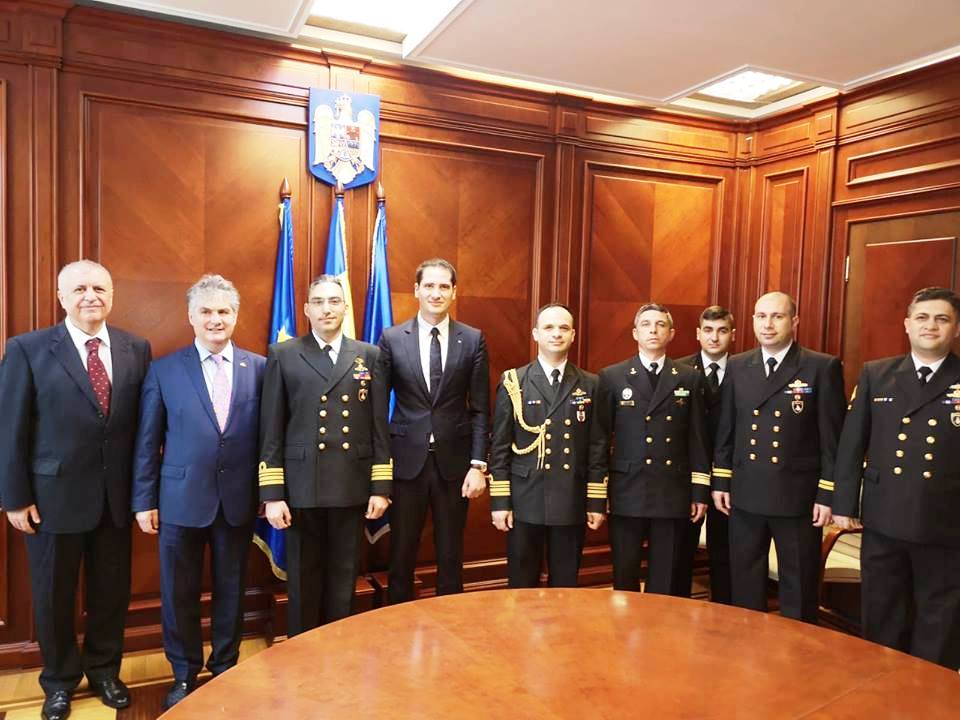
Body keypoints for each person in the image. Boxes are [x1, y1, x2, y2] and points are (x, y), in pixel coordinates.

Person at [0, 260, 151, 720]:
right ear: (61, 297)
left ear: (112, 295)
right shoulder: (27, 349)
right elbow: (10, 429)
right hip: (51, 500)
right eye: (80, 288)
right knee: (53, 596)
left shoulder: (136, 348)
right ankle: (59, 681)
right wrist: (14, 497)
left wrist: (145, 494)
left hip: (116, 499)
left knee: (111, 593)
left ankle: (105, 671)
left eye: (100, 288)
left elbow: (144, 428)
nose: (91, 296)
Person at [132, 275, 265, 709]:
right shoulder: (164, 370)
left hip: (238, 501)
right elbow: (147, 441)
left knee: (232, 590)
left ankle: (225, 667)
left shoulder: (260, 368)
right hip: (179, 501)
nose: (215, 319)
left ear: (236, 316)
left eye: (223, 311)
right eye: (206, 311)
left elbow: (270, 439)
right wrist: (144, 501)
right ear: (191, 317)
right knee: (179, 594)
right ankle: (184, 674)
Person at [834, 286, 960, 669]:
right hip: (884, 516)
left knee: (939, 617)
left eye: (942, 319)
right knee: (882, 608)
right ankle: (881, 682)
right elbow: (852, 444)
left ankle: (930, 689)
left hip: (945, 521)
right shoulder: (877, 374)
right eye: (922, 317)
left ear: (956, 328)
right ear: (907, 325)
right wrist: (844, 504)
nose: (930, 326)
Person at [258, 275, 391, 634]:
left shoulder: (369, 355)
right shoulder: (283, 354)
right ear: (306, 309)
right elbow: (271, 429)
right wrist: (272, 494)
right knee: (303, 580)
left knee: (344, 577)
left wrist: (380, 487)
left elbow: (379, 425)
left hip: (351, 484)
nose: (326, 309)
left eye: (334, 301)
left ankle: (338, 649)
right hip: (302, 487)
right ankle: (303, 651)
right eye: (318, 302)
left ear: (345, 308)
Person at [712, 291, 844, 623]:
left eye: (777, 316)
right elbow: (727, 429)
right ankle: (748, 641)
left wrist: (827, 493)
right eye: (761, 316)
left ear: (794, 321)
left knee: (798, 585)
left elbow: (832, 439)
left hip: (798, 497)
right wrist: (721, 481)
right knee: (745, 581)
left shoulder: (820, 366)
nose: (768, 324)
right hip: (746, 492)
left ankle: (797, 648)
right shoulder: (738, 365)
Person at [378, 258, 489, 602]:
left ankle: (452, 621)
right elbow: (377, 410)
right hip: (405, 463)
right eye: (429, 285)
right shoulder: (392, 339)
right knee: (401, 553)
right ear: (416, 290)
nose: (436, 293)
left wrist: (478, 464)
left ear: (454, 292)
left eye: (444, 286)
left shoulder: (473, 339)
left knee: (451, 554)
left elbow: (480, 407)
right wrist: (380, 469)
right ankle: (397, 618)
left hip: (455, 466)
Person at [591, 303, 710, 594]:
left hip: (671, 490)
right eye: (646, 324)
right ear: (635, 333)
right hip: (626, 488)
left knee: (665, 578)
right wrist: (597, 494)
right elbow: (599, 440)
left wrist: (699, 492)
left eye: (660, 325)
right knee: (625, 575)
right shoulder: (612, 376)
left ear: (671, 333)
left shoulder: (689, 377)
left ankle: (661, 624)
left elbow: (698, 438)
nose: (653, 330)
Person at [489, 304, 605, 587]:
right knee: (521, 584)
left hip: (570, 497)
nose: (556, 334)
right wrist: (500, 502)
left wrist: (596, 501)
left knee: (565, 584)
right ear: (535, 334)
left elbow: (597, 447)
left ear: (573, 335)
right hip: (525, 498)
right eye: (549, 327)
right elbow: (500, 447)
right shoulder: (514, 382)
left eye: (564, 328)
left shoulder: (591, 384)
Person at [676, 305, 735, 603]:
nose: (714, 337)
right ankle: (676, 613)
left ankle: (724, 612)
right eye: (708, 330)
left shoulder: (744, 369)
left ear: (732, 335)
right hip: (687, 476)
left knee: (725, 551)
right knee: (680, 550)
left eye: (722, 331)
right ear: (698, 334)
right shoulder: (678, 371)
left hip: (732, 476)